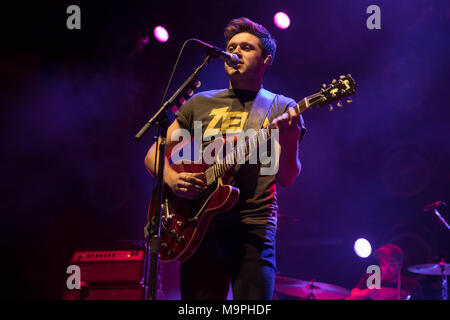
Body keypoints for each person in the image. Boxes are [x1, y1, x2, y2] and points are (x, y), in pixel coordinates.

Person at [145, 17, 306, 300]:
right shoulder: (199, 103)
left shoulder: (281, 106)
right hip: (197, 228)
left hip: (253, 230)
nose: (235, 52)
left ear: (266, 60)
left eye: (246, 47)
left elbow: (287, 177)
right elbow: (154, 152)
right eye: (231, 46)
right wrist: (172, 178)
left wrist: (291, 138)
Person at [346, 244, 424, 300]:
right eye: (383, 264)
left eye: (392, 264)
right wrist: (366, 293)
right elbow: (352, 296)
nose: (387, 268)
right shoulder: (371, 278)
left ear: (400, 265)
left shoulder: (412, 285)